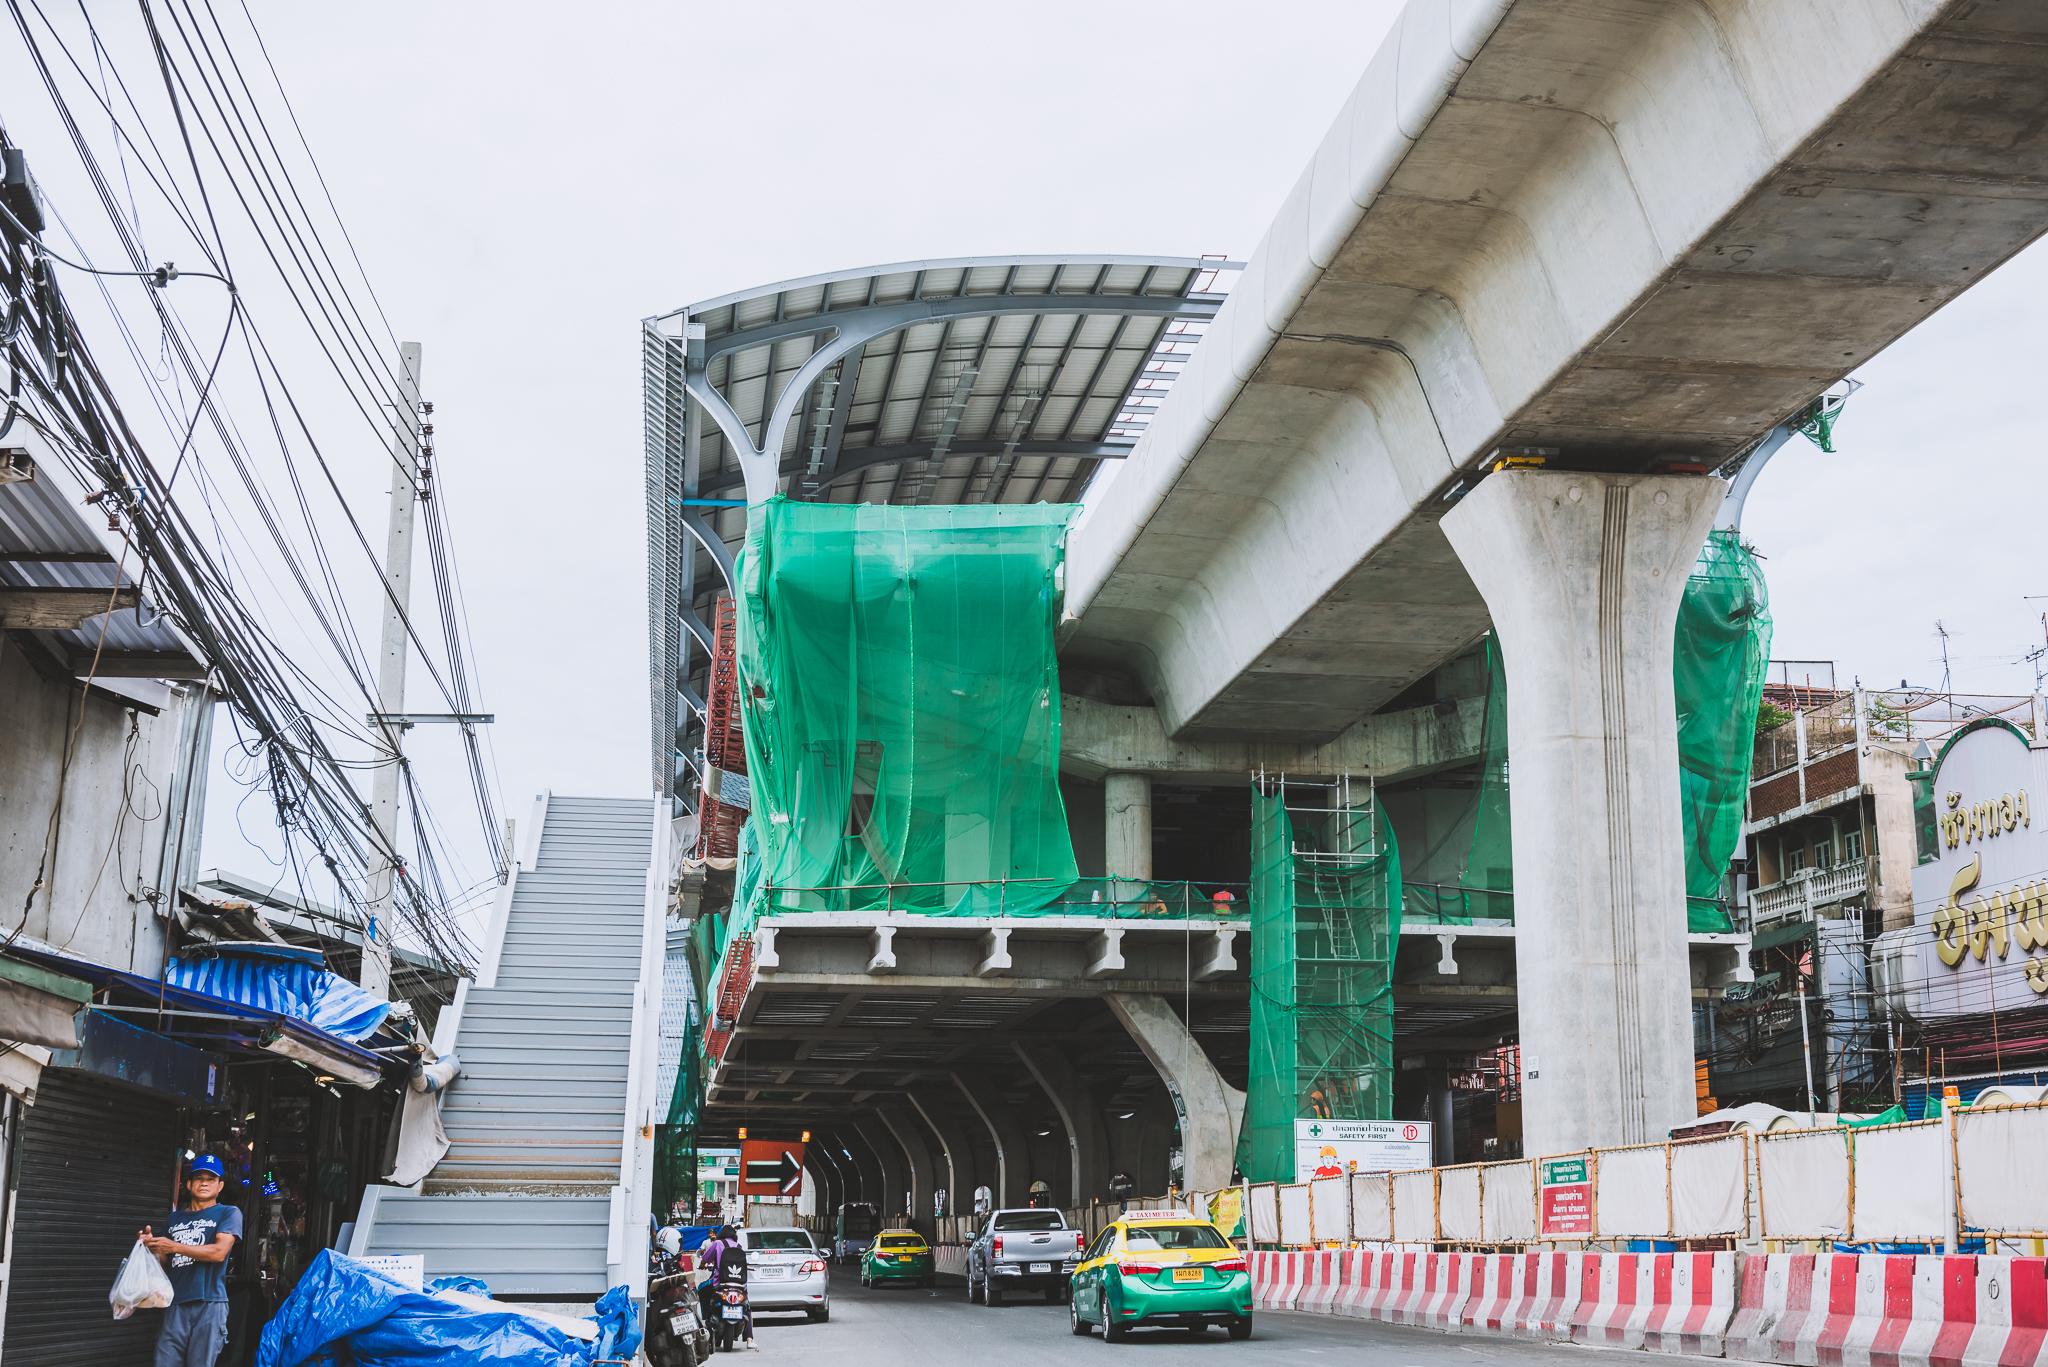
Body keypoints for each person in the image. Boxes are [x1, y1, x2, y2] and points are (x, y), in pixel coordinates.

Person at [137, 1154, 243, 1367]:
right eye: (198, 1177)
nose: (204, 1182)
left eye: (211, 1179)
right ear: (188, 1183)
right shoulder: (174, 1219)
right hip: (175, 1304)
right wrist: (149, 1247)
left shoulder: (228, 1213)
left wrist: (173, 1245)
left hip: (210, 1303)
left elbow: (219, 1252)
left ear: (220, 1185)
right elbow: (163, 1262)